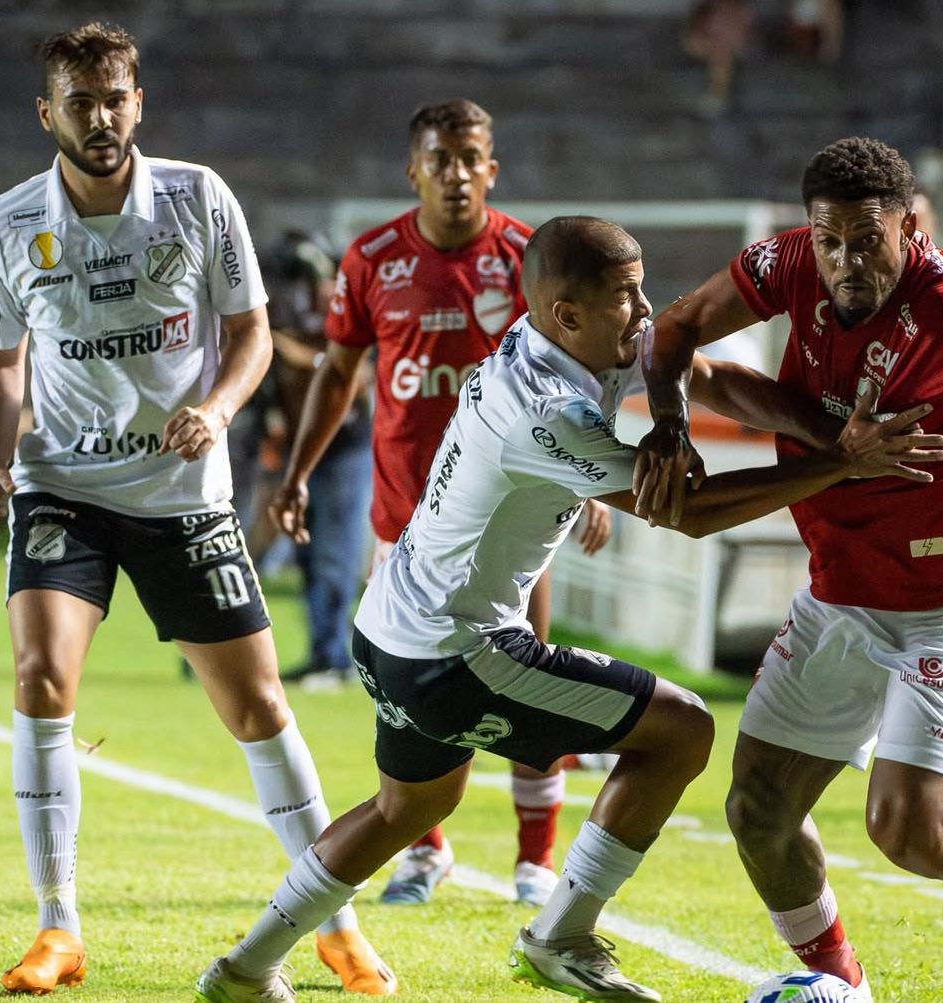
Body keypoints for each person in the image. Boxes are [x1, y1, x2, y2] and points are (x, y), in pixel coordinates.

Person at [195, 214, 943, 1003]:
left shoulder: (572, 338)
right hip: (455, 650)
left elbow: (706, 376)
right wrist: (839, 464)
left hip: (390, 627)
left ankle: (243, 968)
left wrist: (821, 429)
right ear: (568, 314)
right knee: (681, 730)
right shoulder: (547, 406)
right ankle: (560, 935)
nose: (645, 306)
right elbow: (685, 510)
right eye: (626, 294)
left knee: (408, 805)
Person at [0, 23, 393, 997]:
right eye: (81, 102)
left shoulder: (199, 200)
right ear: (49, 114)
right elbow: (0, 356)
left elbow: (251, 331)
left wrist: (220, 407)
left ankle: (336, 922)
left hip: (180, 494)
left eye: (116, 97)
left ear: (139, 102)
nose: (103, 117)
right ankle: (58, 925)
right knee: (39, 677)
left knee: (257, 705)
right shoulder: (11, 220)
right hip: (63, 486)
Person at [633, 136, 943, 1002]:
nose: (847, 260)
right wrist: (669, 426)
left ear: (908, 227)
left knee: (907, 828)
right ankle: (840, 985)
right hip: (840, 588)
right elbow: (676, 328)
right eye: (830, 240)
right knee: (757, 810)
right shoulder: (785, 264)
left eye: (867, 240)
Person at [269, 99, 611, 909]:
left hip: (519, 516)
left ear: (492, 169)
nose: (455, 174)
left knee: (541, 679)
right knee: (411, 695)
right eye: (440, 158)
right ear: (413, 168)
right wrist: (298, 474)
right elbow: (340, 372)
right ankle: (424, 851)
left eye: (470, 158)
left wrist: (598, 483)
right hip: (404, 520)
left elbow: (581, 379)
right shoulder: (373, 257)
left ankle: (535, 863)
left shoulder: (532, 257)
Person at [265, 230, 374, 689]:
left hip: (346, 447)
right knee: (309, 559)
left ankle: (336, 658)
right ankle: (322, 652)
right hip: (301, 451)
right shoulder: (284, 310)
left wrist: (285, 349)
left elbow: (355, 374)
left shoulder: (348, 311)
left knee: (335, 556)